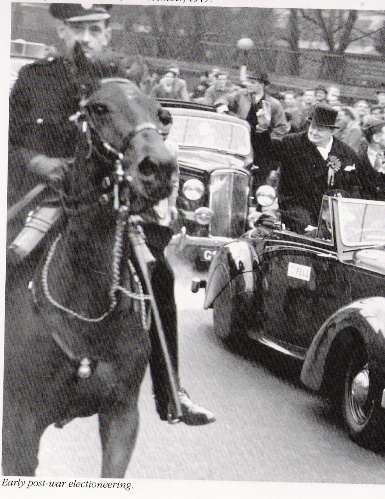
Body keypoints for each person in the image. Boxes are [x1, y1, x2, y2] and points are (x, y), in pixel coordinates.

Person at [8, 3, 214, 426]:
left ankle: (172, 389)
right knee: (7, 261)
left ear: (107, 34)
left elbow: (148, 145)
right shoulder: (33, 81)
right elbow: (7, 144)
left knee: (159, 275)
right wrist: (37, 162)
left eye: (96, 29)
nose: (86, 38)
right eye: (77, 29)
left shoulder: (124, 84)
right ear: (61, 32)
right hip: (46, 199)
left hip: (117, 209)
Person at [253, 103, 361, 233]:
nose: (314, 132)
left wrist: (349, 211)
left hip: (330, 213)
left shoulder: (346, 153)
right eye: (313, 127)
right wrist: (262, 128)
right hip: (295, 209)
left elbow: (353, 185)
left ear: (332, 131)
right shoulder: (292, 142)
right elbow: (264, 153)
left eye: (320, 130)